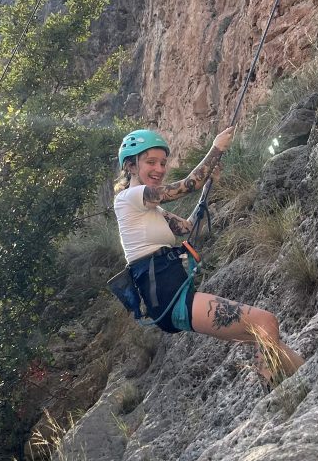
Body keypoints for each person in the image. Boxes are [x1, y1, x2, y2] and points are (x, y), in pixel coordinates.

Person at [113, 128, 304, 388]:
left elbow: (190, 228)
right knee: (264, 322)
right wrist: (217, 148)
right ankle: (274, 401)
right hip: (172, 299)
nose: (159, 168)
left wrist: (207, 191)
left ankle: (309, 381)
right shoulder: (129, 198)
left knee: (269, 337)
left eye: (162, 163)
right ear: (131, 165)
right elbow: (186, 186)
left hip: (172, 299)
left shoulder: (152, 210)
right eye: (150, 162)